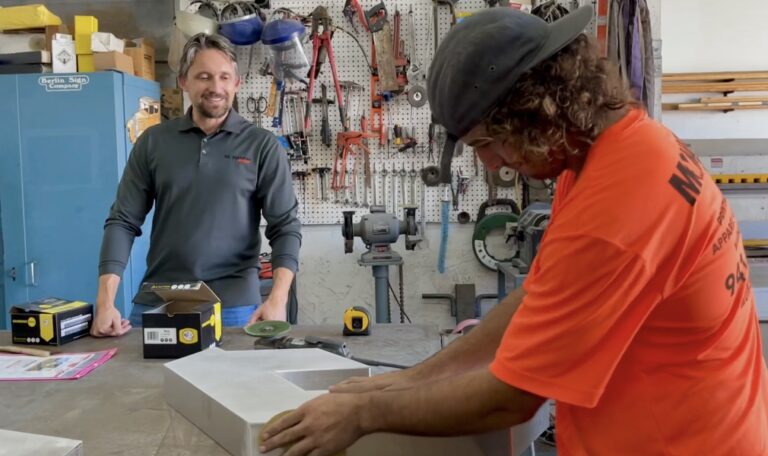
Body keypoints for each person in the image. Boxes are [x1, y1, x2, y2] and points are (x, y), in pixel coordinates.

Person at [259, 6, 768, 456]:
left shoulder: (616, 205)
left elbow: (513, 396)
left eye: (486, 142)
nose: (489, 164)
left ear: (536, 107)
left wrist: (361, 416)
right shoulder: (610, 155)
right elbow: (534, 298)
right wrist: (406, 382)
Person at [91, 33, 301, 337]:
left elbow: (285, 227)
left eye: (224, 77)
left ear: (236, 84)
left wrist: (277, 299)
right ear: (183, 82)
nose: (215, 88)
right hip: (160, 300)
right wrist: (105, 301)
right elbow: (123, 221)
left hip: (235, 307)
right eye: (204, 77)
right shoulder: (153, 142)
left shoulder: (262, 146)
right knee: (143, 385)